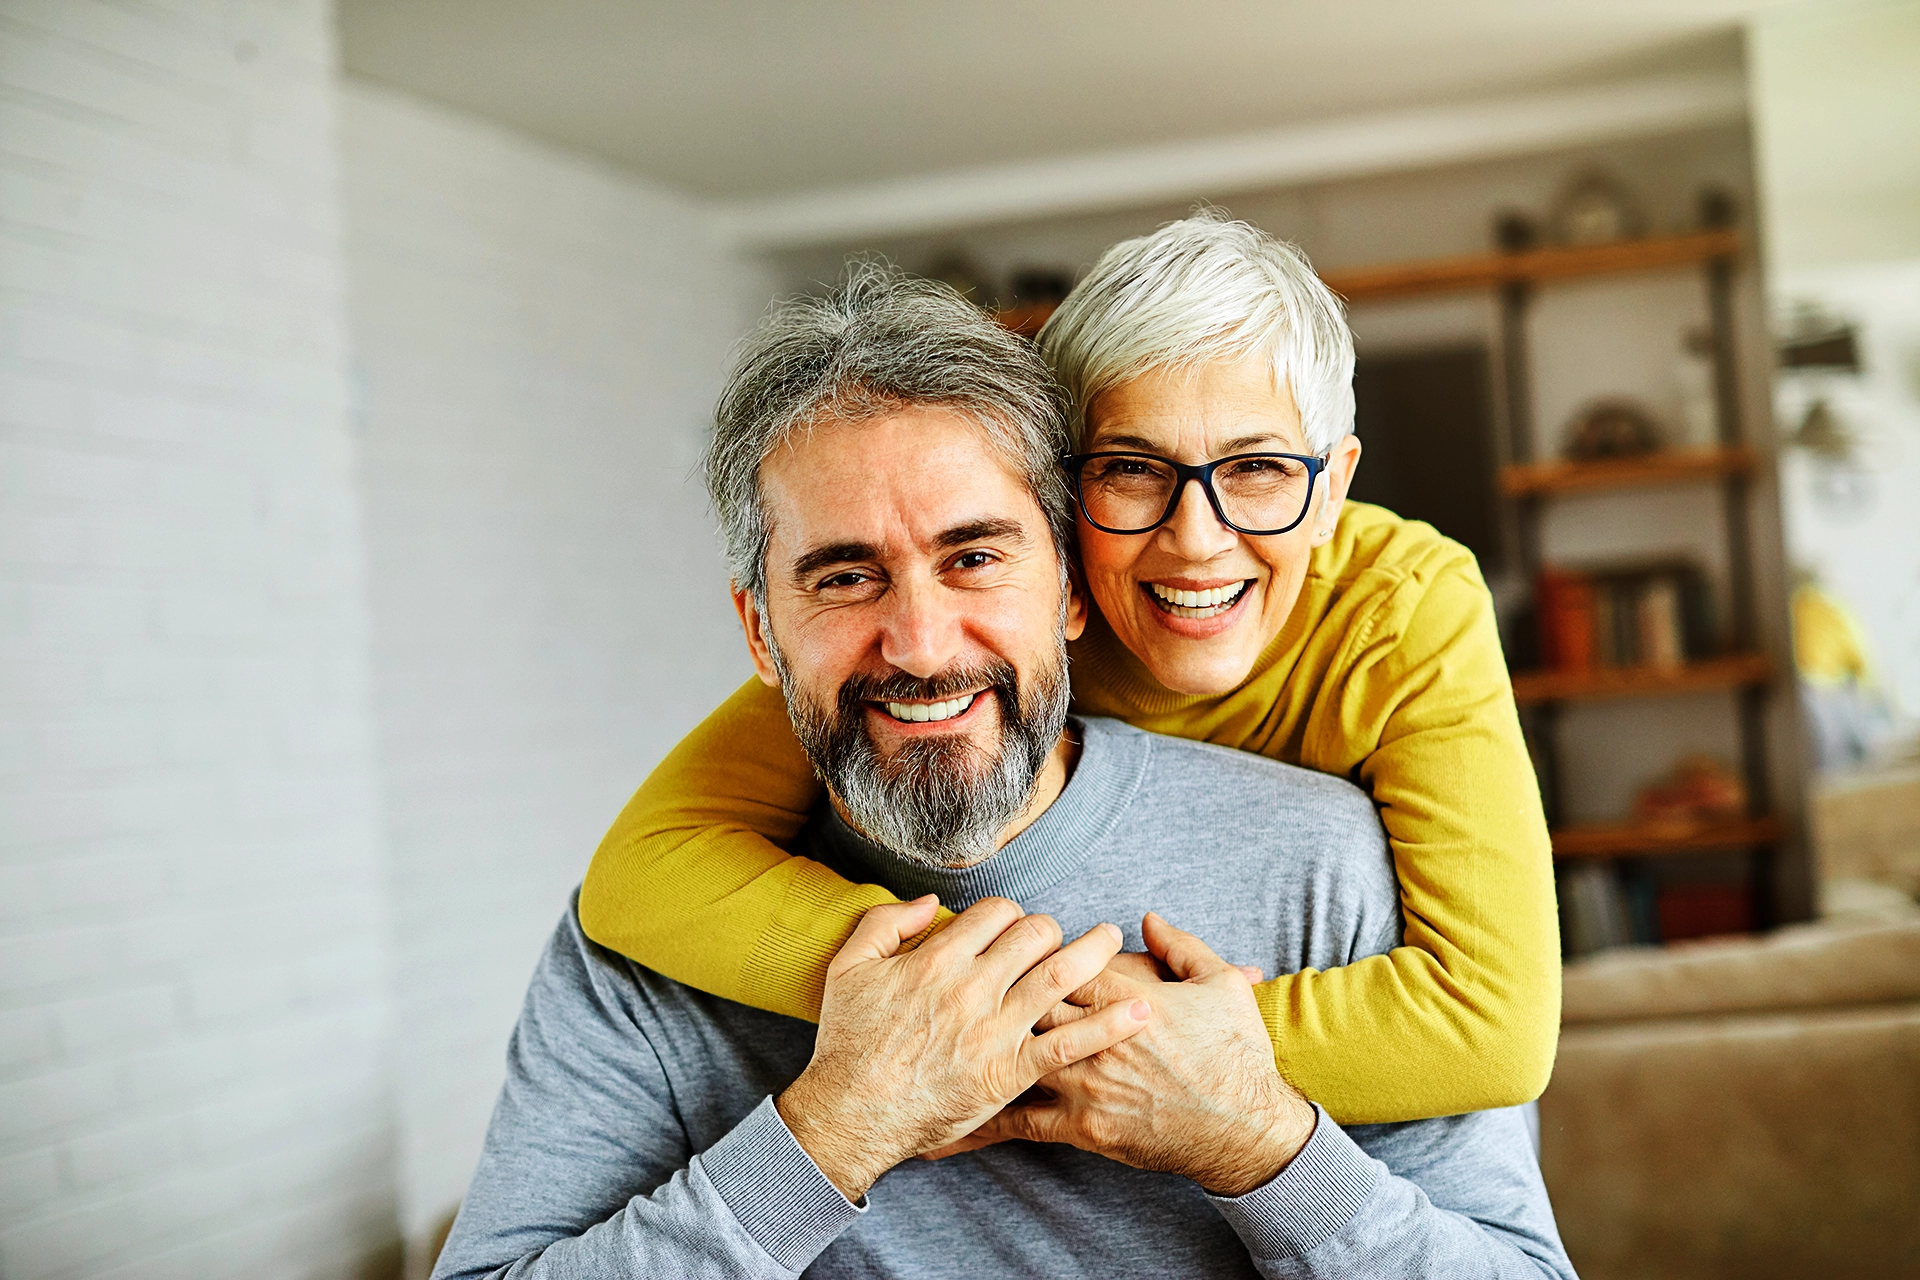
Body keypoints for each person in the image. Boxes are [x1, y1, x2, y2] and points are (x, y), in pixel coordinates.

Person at [432, 267, 1573, 1279]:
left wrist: (1257, 1141)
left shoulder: (1330, 851)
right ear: (760, 631)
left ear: (1068, 581)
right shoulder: (646, 944)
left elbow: (1500, 1062)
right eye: (841, 578)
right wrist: (836, 1125)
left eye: (974, 555)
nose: (921, 643)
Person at [579, 213, 1559, 1122]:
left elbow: (1492, 1027)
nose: (1198, 540)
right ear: (1057, 499)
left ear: (1333, 486)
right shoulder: (995, 615)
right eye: (1131, 469)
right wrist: (953, 992)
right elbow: (642, 872)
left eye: (1258, 468)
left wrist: (1137, 1034)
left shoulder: (1406, 607)